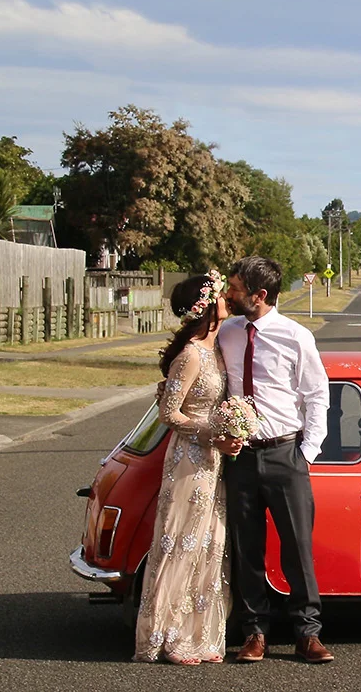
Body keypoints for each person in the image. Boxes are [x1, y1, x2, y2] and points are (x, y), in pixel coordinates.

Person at [218, 256, 334, 664]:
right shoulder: (227, 333)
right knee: (246, 549)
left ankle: (308, 633)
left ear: (259, 295)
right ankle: (254, 633)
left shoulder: (296, 336)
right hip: (241, 458)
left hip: (286, 454)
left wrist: (306, 454)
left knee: (297, 548)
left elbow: (317, 395)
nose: (229, 294)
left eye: (235, 288)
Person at [133, 272, 238, 665]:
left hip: (214, 461)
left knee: (210, 544)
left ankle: (201, 635)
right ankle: (169, 636)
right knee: (181, 543)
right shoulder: (192, 354)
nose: (227, 297)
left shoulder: (218, 350)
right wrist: (213, 430)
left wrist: (231, 429)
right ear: (207, 305)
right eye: (221, 293)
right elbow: (169, 413)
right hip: (189, 460)